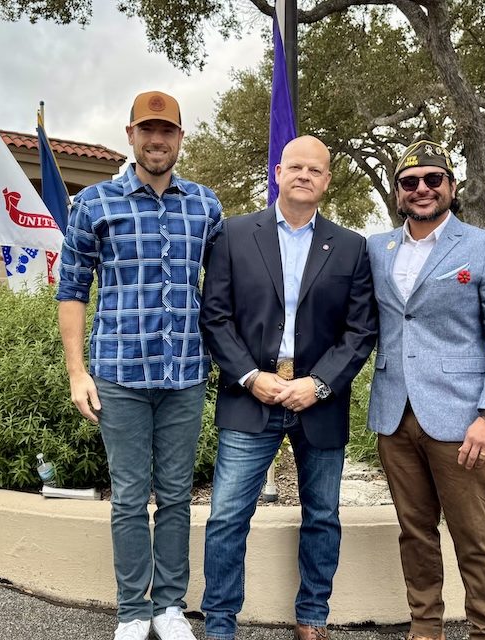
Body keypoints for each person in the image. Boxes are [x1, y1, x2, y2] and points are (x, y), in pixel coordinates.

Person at [55, 90, 222, 640]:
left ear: (179, 138)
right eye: (147, 130)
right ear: (130, 134)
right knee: (129, 496)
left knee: (175, 494)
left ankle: (170, 607)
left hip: (184, 375)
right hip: (119, 375)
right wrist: (78, 372)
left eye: (167, 131)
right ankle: (132, 610)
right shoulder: (93, 205)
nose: (157, 140)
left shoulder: (205, 206)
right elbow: (73, 290)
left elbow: (221, 291)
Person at [199, 135, 378, 640]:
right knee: (227, 516)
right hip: (248, 396)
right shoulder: (233, 235)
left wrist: (319, 384)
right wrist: (250, 376)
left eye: (315, 170)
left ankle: (313, 617)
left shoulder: (351, 246)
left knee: (322, 515)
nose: (304, 175)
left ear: (326, 181)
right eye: (295, 166)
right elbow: (214, 317)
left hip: (318, 402)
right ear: (277, 172)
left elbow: (360, 330)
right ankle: (219, 623)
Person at [366, 140, 485, 640]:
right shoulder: (377, 249)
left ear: (451, 188)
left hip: (461, 420)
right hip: (394, 416)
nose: (421, 189)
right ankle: (425, 628)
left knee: (474, 537)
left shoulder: (484, 246)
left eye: (433, 180)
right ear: (397, 194)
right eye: (409, 182)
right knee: (415, 534)